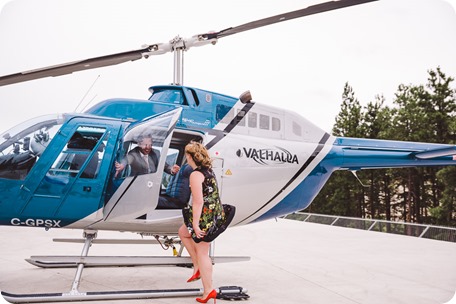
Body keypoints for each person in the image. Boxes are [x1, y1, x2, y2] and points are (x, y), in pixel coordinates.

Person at [178, 141, 225, 303]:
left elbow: (198, 202)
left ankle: (208, 290)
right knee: (183, 232)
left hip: (205, 216)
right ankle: (197, 266)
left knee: (203, 251)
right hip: (213, 212)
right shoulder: (208, 171)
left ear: (190, 157)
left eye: (187, 156)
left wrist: (196, 225)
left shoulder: (195, 174)